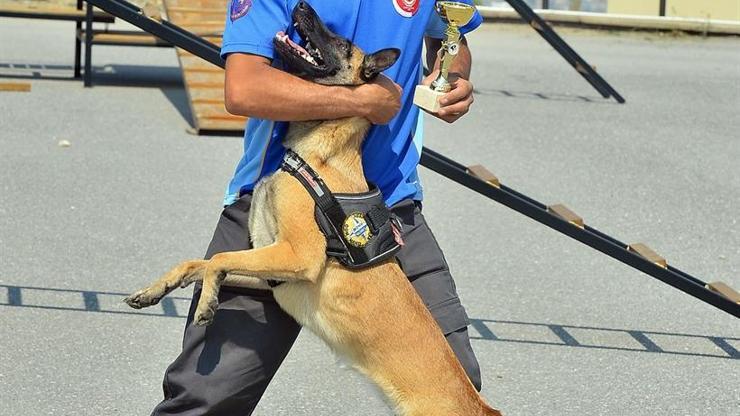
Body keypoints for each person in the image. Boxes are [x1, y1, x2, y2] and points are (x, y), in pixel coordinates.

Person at [151, 0, 483, 414]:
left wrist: (455, 78)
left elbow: (450, 37)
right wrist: (360, 103)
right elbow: (244, 88)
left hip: (390, 207)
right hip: (279, 202)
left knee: (457, 395)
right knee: (207, 400)